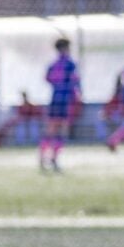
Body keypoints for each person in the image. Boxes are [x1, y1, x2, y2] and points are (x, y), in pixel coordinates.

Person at [41, 38, 80, 172]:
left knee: (50, 129)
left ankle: (42, 156)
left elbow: (47, 78)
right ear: (65, 48)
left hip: (54, 98)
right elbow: (75, 81)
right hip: (64, 100)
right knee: (61, 130)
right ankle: (54, 158)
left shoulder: (53, 64)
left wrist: (57, 85)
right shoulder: (70, 64)